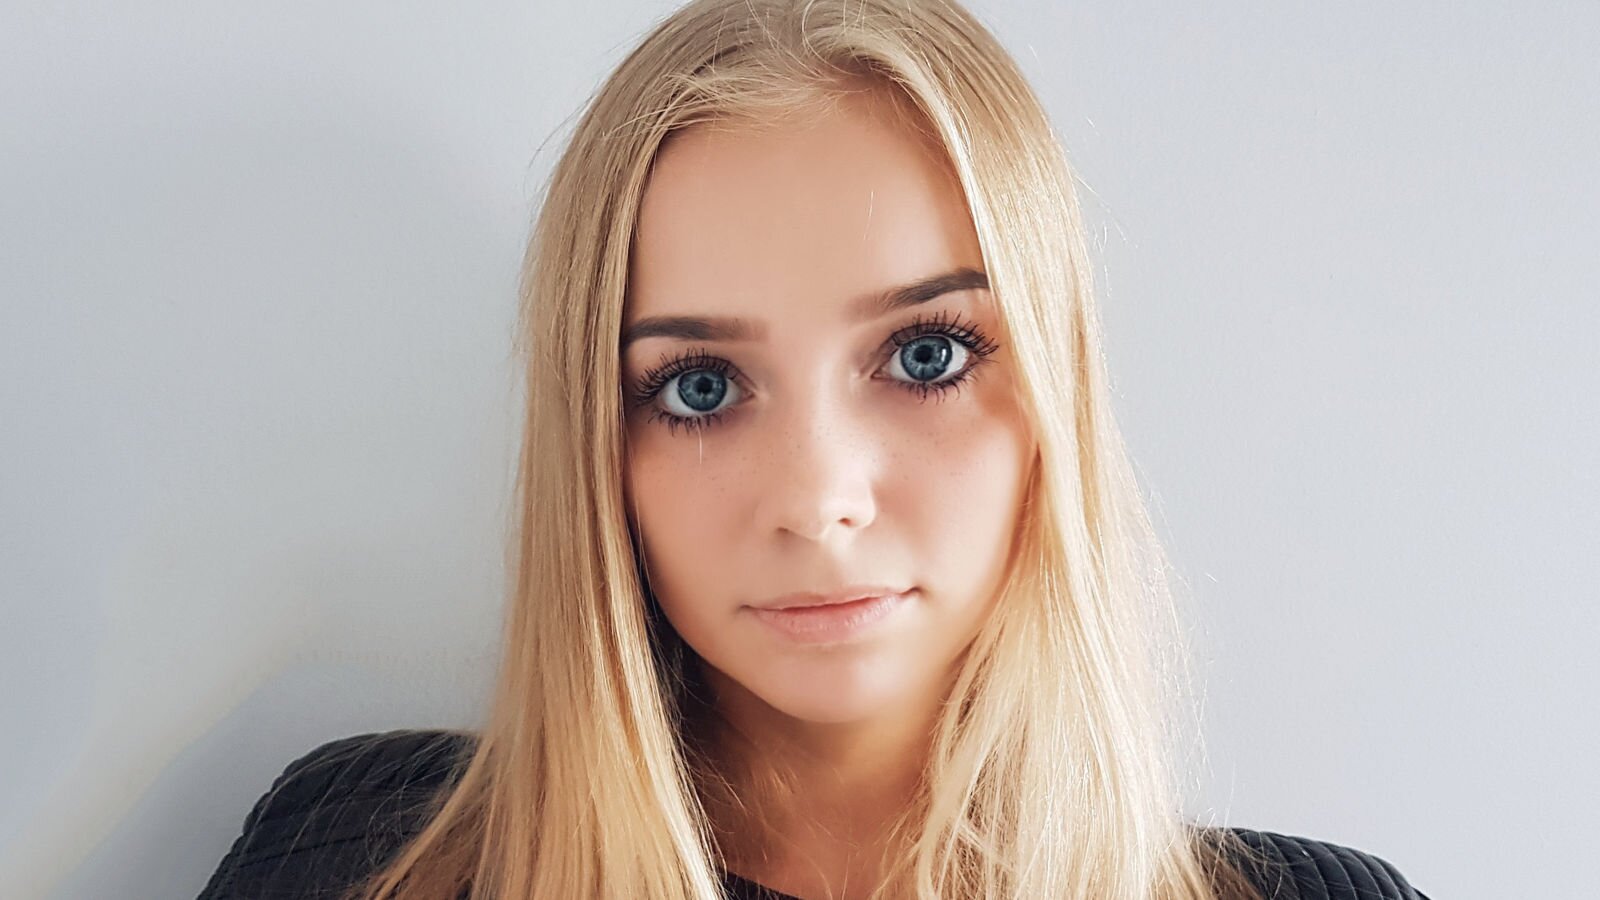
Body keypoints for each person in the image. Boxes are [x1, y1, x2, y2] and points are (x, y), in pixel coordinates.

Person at [198, 1, 1430, 898]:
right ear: (597, 450)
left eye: (927, 357)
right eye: (698, 387)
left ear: (1056, 390)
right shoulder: (367, 859)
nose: (819, 497)